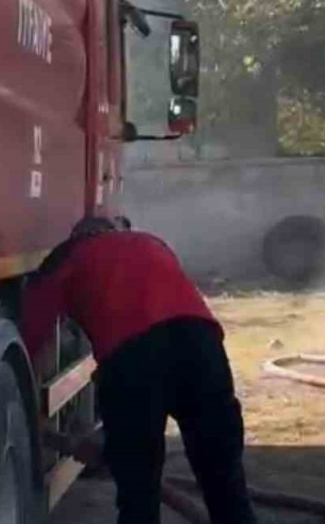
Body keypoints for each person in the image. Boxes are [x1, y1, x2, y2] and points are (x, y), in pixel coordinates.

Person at [21, 216, 257, 524]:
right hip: (202, 346)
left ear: (77, 236)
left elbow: (34, 335)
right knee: (224, 480)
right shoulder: (151, 243)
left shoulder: (68, 256)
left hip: (133, 357)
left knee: (138, 493)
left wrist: (30, 411)